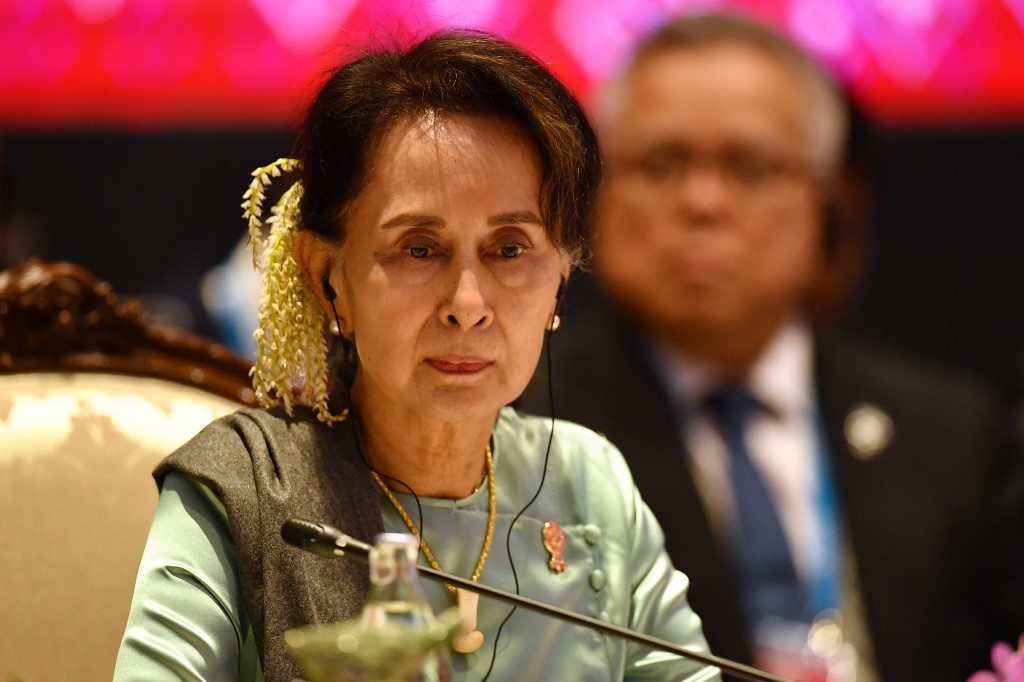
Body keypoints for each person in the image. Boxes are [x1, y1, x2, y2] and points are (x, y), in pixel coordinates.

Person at [113, 31, 721, 682]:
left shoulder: (588, 481)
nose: (467, 303)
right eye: (419, 249)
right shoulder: (243, 490)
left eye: (510, 249)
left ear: (560, 279)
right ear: (326, 276)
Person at [518, 13, 1023, 682]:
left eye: (750, 167)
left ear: (826, 203)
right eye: (660, 164)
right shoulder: (528, 427)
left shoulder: (955, 435)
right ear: (596, 198)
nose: (702, 201)